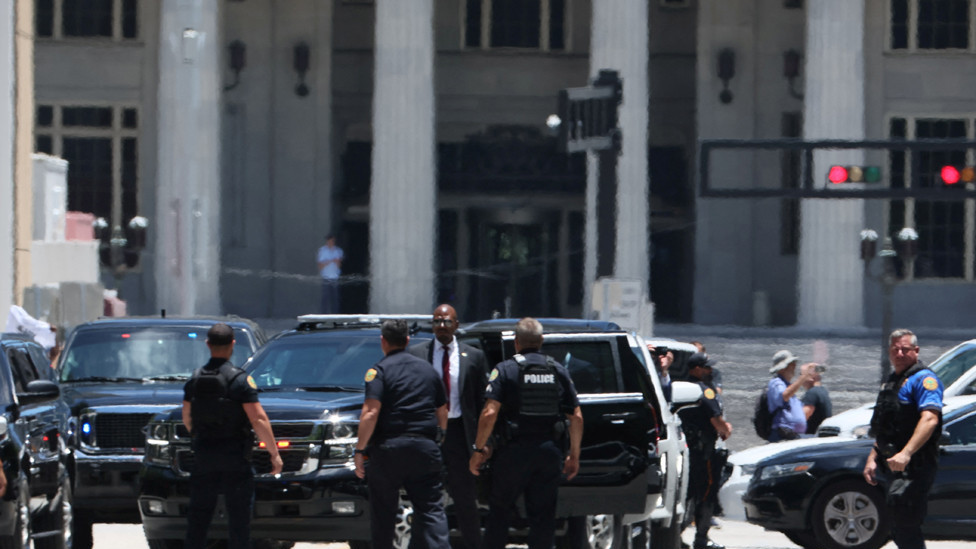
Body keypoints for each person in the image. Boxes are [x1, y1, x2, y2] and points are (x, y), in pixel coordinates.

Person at [468, 318, 583, 549]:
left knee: (499, 512)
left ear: (516, 342)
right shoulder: (557, 370)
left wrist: (479, 450)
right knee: (543, 518)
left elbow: (489, 413)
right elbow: (577, 417)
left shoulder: (505, 369)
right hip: (548, 452)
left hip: (513, 453)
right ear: (541, 341)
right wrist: (574, 455)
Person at [182, 323, 283, 549]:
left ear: (208, 345)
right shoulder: (239, 380)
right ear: (233, 345)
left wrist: (200, 438)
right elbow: (258, 419)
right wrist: (274, 453)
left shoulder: (195, 380)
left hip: (204, 457)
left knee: (198, 518)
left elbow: (187, 417)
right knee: (238, 520)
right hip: (235, 458)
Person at [355, 319, 450, 549]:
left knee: (383, 513)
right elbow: (442, 410)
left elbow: (370, 412)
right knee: (431, 509)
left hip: (389, 450)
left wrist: (359, 450)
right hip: (424, 449)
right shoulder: (428, 370)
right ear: (407, 340)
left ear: (383, 342)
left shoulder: (378, 371)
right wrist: (440, 437)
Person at [408, 304, 489, 549]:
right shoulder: (417, 354)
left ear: (456, 325)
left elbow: (482, 402)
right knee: (424, 497)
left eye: (446, 321)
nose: (441, 326)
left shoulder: (473, 356)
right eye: (437, 321)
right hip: (428, 433)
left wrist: (484, 443)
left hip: (458, 434)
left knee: (464, 499)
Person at [863, 329, 943, 549]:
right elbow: (885, 426)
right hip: (893, 465)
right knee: (897, 524)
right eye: (895, 349)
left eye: (905, 349)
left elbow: (929, 419)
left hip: (915, 465)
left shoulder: (924, 380)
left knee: (906, 524)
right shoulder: (892, 382)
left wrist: (906, 453)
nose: (899, 353)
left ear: (915, 351)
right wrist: (872, 457)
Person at [679, 352, 732, 549]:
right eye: (706, 367)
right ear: (696, 369)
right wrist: (726, 429)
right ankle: (701, 538)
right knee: (706, 493)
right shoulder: (705, 391)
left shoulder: (682, 388)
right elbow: (717, 420)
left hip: (687, 452)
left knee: (688, 493)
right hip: (704, 452)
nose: (710, 371)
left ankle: (676, 535)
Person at [765, 350, 813, 441]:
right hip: (783, 433)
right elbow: (784, 396)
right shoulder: (776, 382)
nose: (794, 366)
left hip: (792, 434)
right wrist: (802, 378)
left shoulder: (788, 386)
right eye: (792, 364)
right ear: (783, 368)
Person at [800, 362, 833, 434]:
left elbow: (803, 416)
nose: (800, 379)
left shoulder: (812, 393)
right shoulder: (823, 391)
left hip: (810, 437)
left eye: (802, 375)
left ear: (811, 377)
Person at [317, 234, 343, 313]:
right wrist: (328, 262)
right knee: (325, 298)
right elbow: (320, 265)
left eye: (332, 241)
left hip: (335, 277)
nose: (330, 242)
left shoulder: (338, 251)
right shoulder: (322, 251)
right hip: (326, 277)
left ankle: (335, 315)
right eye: (329, 241)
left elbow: (339, 265)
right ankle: (323, 315)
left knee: (335, 299)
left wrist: (337, 262)